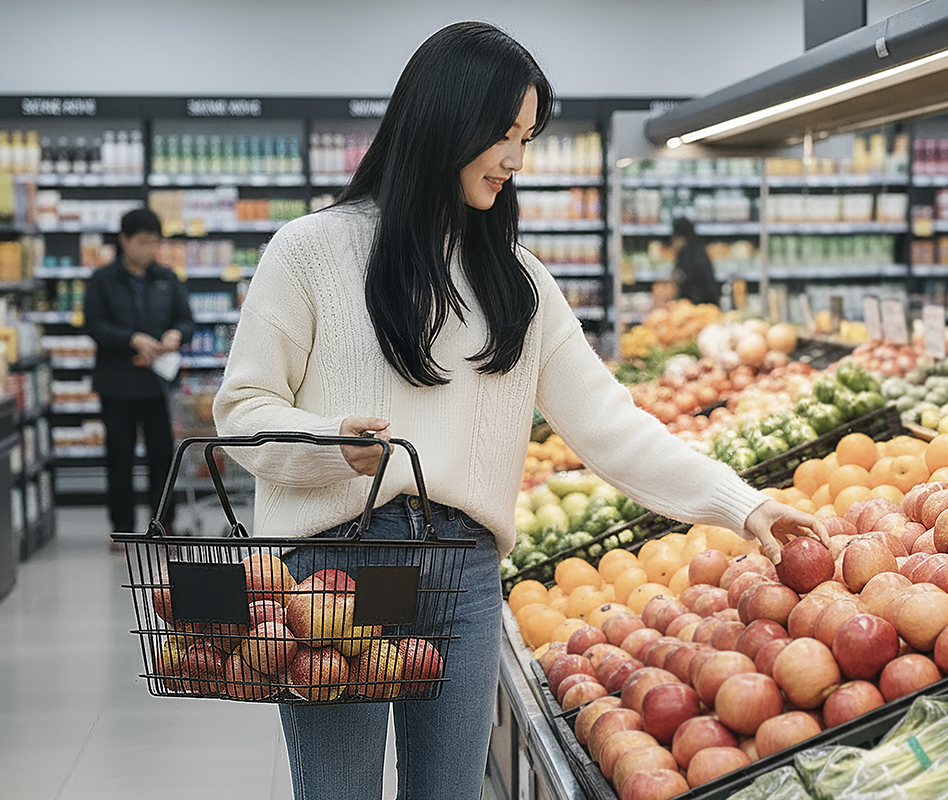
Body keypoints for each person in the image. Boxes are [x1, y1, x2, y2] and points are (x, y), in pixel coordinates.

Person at [211, 22, 824, 800]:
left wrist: (745, 505)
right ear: (443, 124)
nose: (516, 161)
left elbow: (610, 424)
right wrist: (330, 442)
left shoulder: (519, 283)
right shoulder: (308, 252)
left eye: (527, 138)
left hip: (464, 571)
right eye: (503, 135)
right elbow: (243, 410)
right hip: (336, 566)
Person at [84, 207, 194, 539]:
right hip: (117, 385)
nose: (150, 249)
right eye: (143, 242)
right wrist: (131, 339)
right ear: (124, 240)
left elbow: (186, 320)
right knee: (120, 456)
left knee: (163, 457)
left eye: (154, 242)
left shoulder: (166, 278)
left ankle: (163, 525)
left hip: (157, 385)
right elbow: (94, 325)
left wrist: (177, 334)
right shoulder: (103, 280)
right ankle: (122, 528)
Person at [670, 216, 722, 305]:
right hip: (710, 303)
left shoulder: (686, 254)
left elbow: (684, 280)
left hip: (696, 304)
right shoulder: (699, 251)